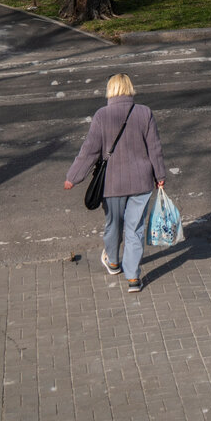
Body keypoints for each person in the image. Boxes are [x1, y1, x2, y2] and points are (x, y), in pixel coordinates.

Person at [64, 73, 165, 291]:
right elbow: (154, 148)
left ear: (110, 90)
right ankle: (133, 278)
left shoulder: (102, 115)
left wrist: (73, 177)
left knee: (113, 225)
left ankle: (113, 262)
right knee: (135, 229)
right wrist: (160, 176)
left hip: (112, 184)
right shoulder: (144, 113)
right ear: (130, 88)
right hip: (142, 182)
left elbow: (89, 150)